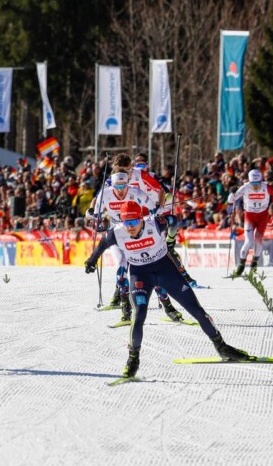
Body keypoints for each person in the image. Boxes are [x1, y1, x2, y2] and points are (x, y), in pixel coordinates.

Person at [84, 201, 248, 378]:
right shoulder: (116, 233)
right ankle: (133, 360)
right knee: (138, 315)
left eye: (133, 222)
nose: (129, 227)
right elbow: (101, 246)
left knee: (197, 310)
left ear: (141, 218)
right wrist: (91, 262)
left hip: (166, 270)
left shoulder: (154, 223)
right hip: (140, 276)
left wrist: (170, 238)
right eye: (126, 223)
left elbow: (174, 219)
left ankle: (221, 347)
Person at [86, 169, 180, 325]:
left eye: (124, 186)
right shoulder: (106, 192)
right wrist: (94, 218)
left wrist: (155, 211)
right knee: (122, 267)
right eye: (118, 187)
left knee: (150, 269)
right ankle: (126, 311)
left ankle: (169, 307)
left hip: (136, 230)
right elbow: (94, 212)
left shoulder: (135, 191)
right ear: (112, 185)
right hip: (118, 233)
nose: (121, 190)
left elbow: (152, 208)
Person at [129, 152, 200, 287]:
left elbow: (166, 193)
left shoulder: (152, 176)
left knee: (168, 240)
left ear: (147, 165)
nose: (140, 166)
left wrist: (161, 204)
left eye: (143, 163)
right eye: (137, 164)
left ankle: (184, 275)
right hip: (139, 217)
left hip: (155, 213)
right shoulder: (129, 178)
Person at [229, 169, 273, 276]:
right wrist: (231, 194)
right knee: (249, 240)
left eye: (257, 184)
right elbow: (231, 200)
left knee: (258, 239)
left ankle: (254, 264)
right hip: (249, 215)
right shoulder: (245, 187)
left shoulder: (266, 186)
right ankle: (241, 266)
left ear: (261, 181)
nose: (255, 186)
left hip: (263, 216)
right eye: (253, 184)